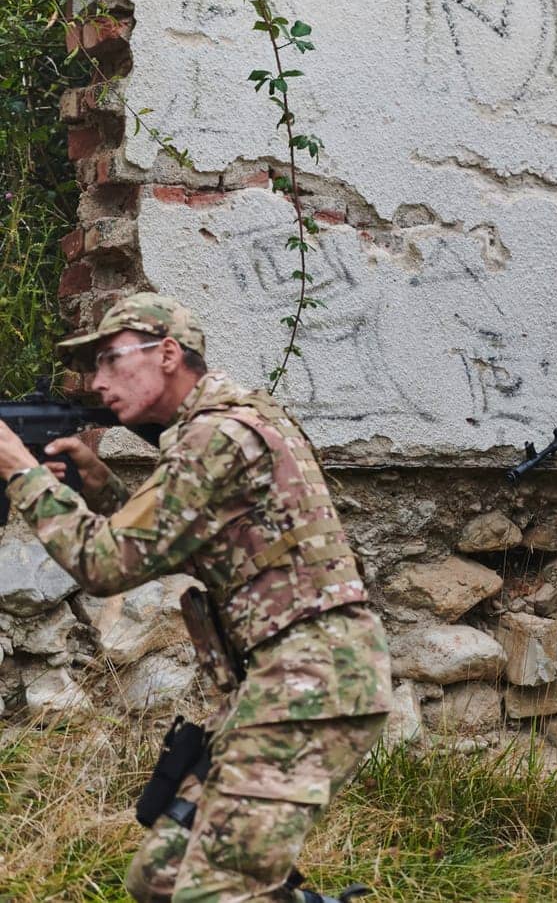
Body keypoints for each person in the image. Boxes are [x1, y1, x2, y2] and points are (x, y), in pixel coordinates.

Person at [0, 293, 391, 903]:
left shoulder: (218, 437)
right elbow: (181, 539)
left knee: (210, 892)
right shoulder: (229, 424)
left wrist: (17, 469)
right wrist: (102, 488)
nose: (97, 382)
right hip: (278, 682)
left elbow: (105, 566)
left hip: (312, 685)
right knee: (160, 879)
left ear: (167, 354)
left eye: (109, 360)